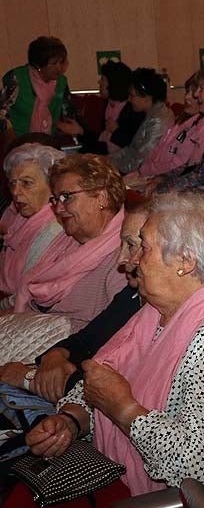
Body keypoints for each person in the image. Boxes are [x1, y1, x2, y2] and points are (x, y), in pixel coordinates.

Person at [1, 192, 204, 508]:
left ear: (185, 262)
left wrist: (123, 408)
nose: (132, 260)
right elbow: (98, 377)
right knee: (19, 501)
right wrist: (73, 420)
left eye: (145, 249)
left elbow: (197, 467)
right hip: (116, 472)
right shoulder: (153, 313)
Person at [0, 199, 149, 402]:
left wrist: (28, 378)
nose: (121, 259)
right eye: (56, 198)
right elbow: (87, 339)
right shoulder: (132, 296)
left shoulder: (157, 307)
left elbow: (112, 382)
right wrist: (55, 355)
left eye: (67, 196)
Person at [0, 154, 127, 364]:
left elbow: (110, 337)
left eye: (67, 197)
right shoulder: (66, 241)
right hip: (27, 335)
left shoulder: (122, 257)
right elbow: (29, 290)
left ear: (101, 198)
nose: (58, 208)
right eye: (55, 199)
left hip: (59, 357)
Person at [137, 65, 204, 193]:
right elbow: (190, 166)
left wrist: (163, 188)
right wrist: (163, 178)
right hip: (202, 189)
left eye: (202, 89)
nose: (196, 94)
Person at [0, 144, 66, 301]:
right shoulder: (20, 216)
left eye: (26, 183)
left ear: (53, 185)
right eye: (12, 183)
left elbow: (28, 293)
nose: (16, 192)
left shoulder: (53, 229)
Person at [0, 36, 78, 138]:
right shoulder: (16, 78)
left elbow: (68, 113)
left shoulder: (61, 82)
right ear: (39, 65)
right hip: (18, 141)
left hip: (48, 141)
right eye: (54, 63)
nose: (59, 68)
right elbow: (1, 113)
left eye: (61, 62)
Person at [108, 68, 174, 174]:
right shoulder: (152, 114)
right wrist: (107, 160)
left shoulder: (158, 121)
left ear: (147, 97)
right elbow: (131, 150)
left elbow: (141, 161)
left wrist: (109, 164)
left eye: (132, 96)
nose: (129, 100)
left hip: (145, 174)